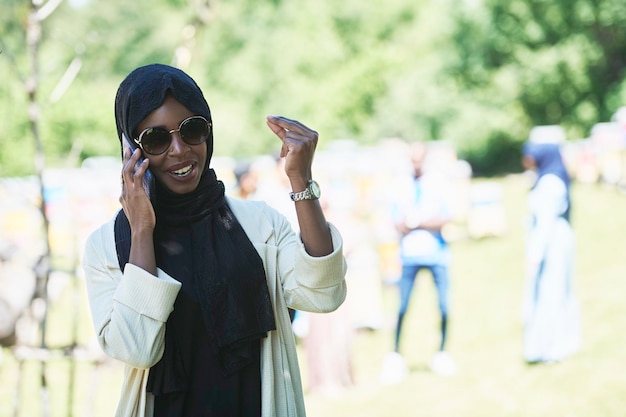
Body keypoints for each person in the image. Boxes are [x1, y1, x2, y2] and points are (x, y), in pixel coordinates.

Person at [81, 63, 347, 417]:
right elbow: (137, 350)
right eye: (157, 139)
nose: (179, 150)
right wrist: (141, 230)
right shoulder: (107, 246)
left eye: (192, 130)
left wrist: (301, 180)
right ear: (132, 149)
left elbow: (323, 294)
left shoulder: (258, 224)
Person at [381, 141, 456, 384]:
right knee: (402, 307)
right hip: (409, 254)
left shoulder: (438, 182)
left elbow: (447, 216)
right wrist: (406, 224)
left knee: (444, 306)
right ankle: (396, 354)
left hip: (436, 253)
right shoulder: (399, 185)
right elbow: (394, 220)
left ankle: (442, 352)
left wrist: (420, 222)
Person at [521, 126, 580, 364]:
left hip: (551, 242)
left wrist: (534, 255)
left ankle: (548, 348)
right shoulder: (553, 176)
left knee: (549, 293)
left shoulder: (549, 182)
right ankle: (563, 343)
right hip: (559, 238)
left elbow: (545, 223)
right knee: (561, 291)